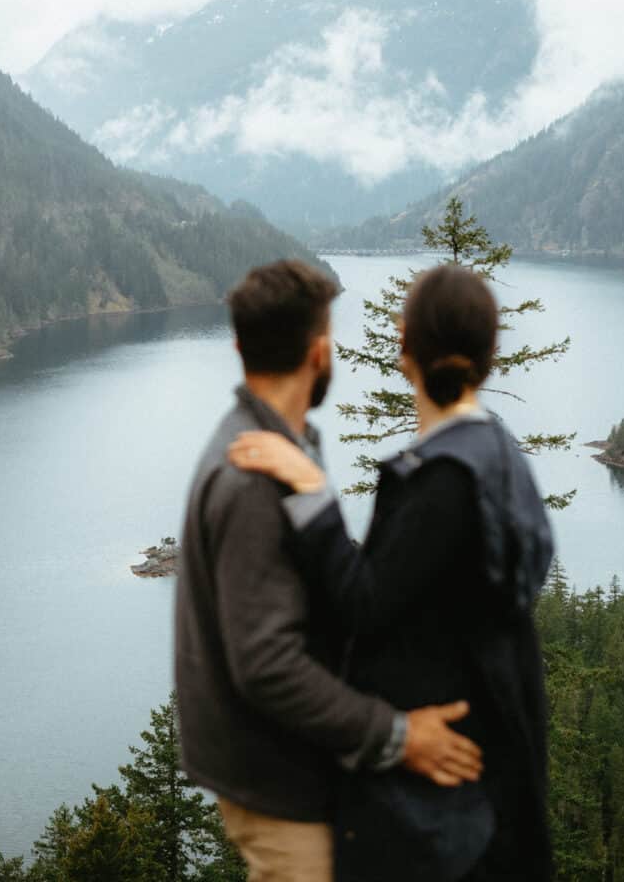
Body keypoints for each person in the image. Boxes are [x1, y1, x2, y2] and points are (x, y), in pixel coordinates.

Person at [228, 263, 555, 881]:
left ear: (404, 345)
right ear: (487, 354)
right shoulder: (501, 455)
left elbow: (365, 607)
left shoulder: (442, 480)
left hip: (440, 806)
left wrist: (311, 493)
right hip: (496, 765)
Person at [174, 259, 485, 882]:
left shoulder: (276, 445)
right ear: (320, 354)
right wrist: (397, 734)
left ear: (239, 347)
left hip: (282, 768)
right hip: (280, 785)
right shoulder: (254, 476)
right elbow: (267, 664)